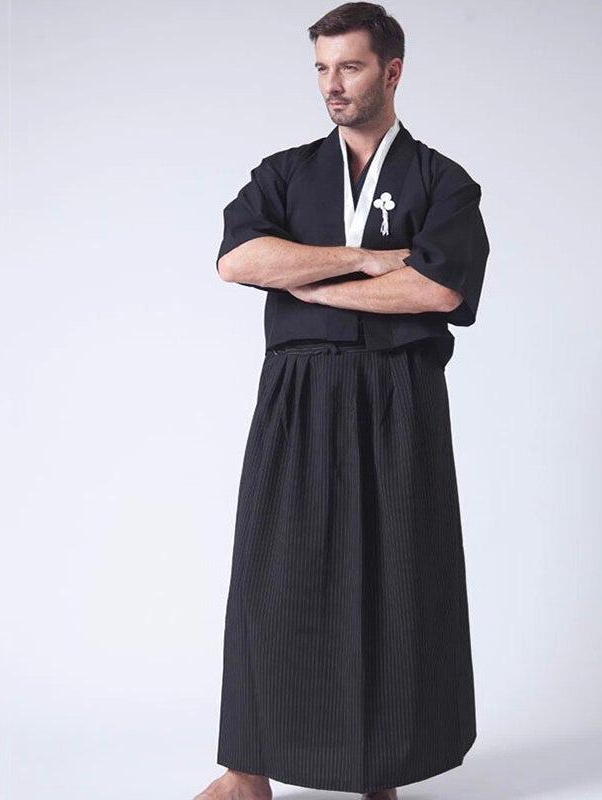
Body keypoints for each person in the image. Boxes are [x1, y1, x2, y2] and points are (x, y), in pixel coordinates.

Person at [194, 4, 490, 799]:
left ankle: (379, 770)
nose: (333, 84)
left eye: (350, 67)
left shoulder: (442, 181)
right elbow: (239, 261)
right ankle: (246, 771)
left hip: (400, 394)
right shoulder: (286, 174)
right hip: (299, 392)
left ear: (391, 72)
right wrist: (361, 261)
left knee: (397, 574)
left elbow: (436, 287)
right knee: (274, 574)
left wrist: (309, 285)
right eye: (322, 68)